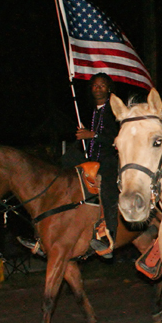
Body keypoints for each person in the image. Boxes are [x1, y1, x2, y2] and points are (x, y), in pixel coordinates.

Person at [62, 73, 120, 257]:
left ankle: (107, 237)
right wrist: (83, 139)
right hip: (92, 161)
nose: (98, 88)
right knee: (66, 166)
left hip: (110, 160)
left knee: (108, 192)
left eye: (102, 85)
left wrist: (92, 135)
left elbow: (116, 139)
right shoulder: (92, 111)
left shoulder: (114, 111)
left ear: (109, 89)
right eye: (95, 86)